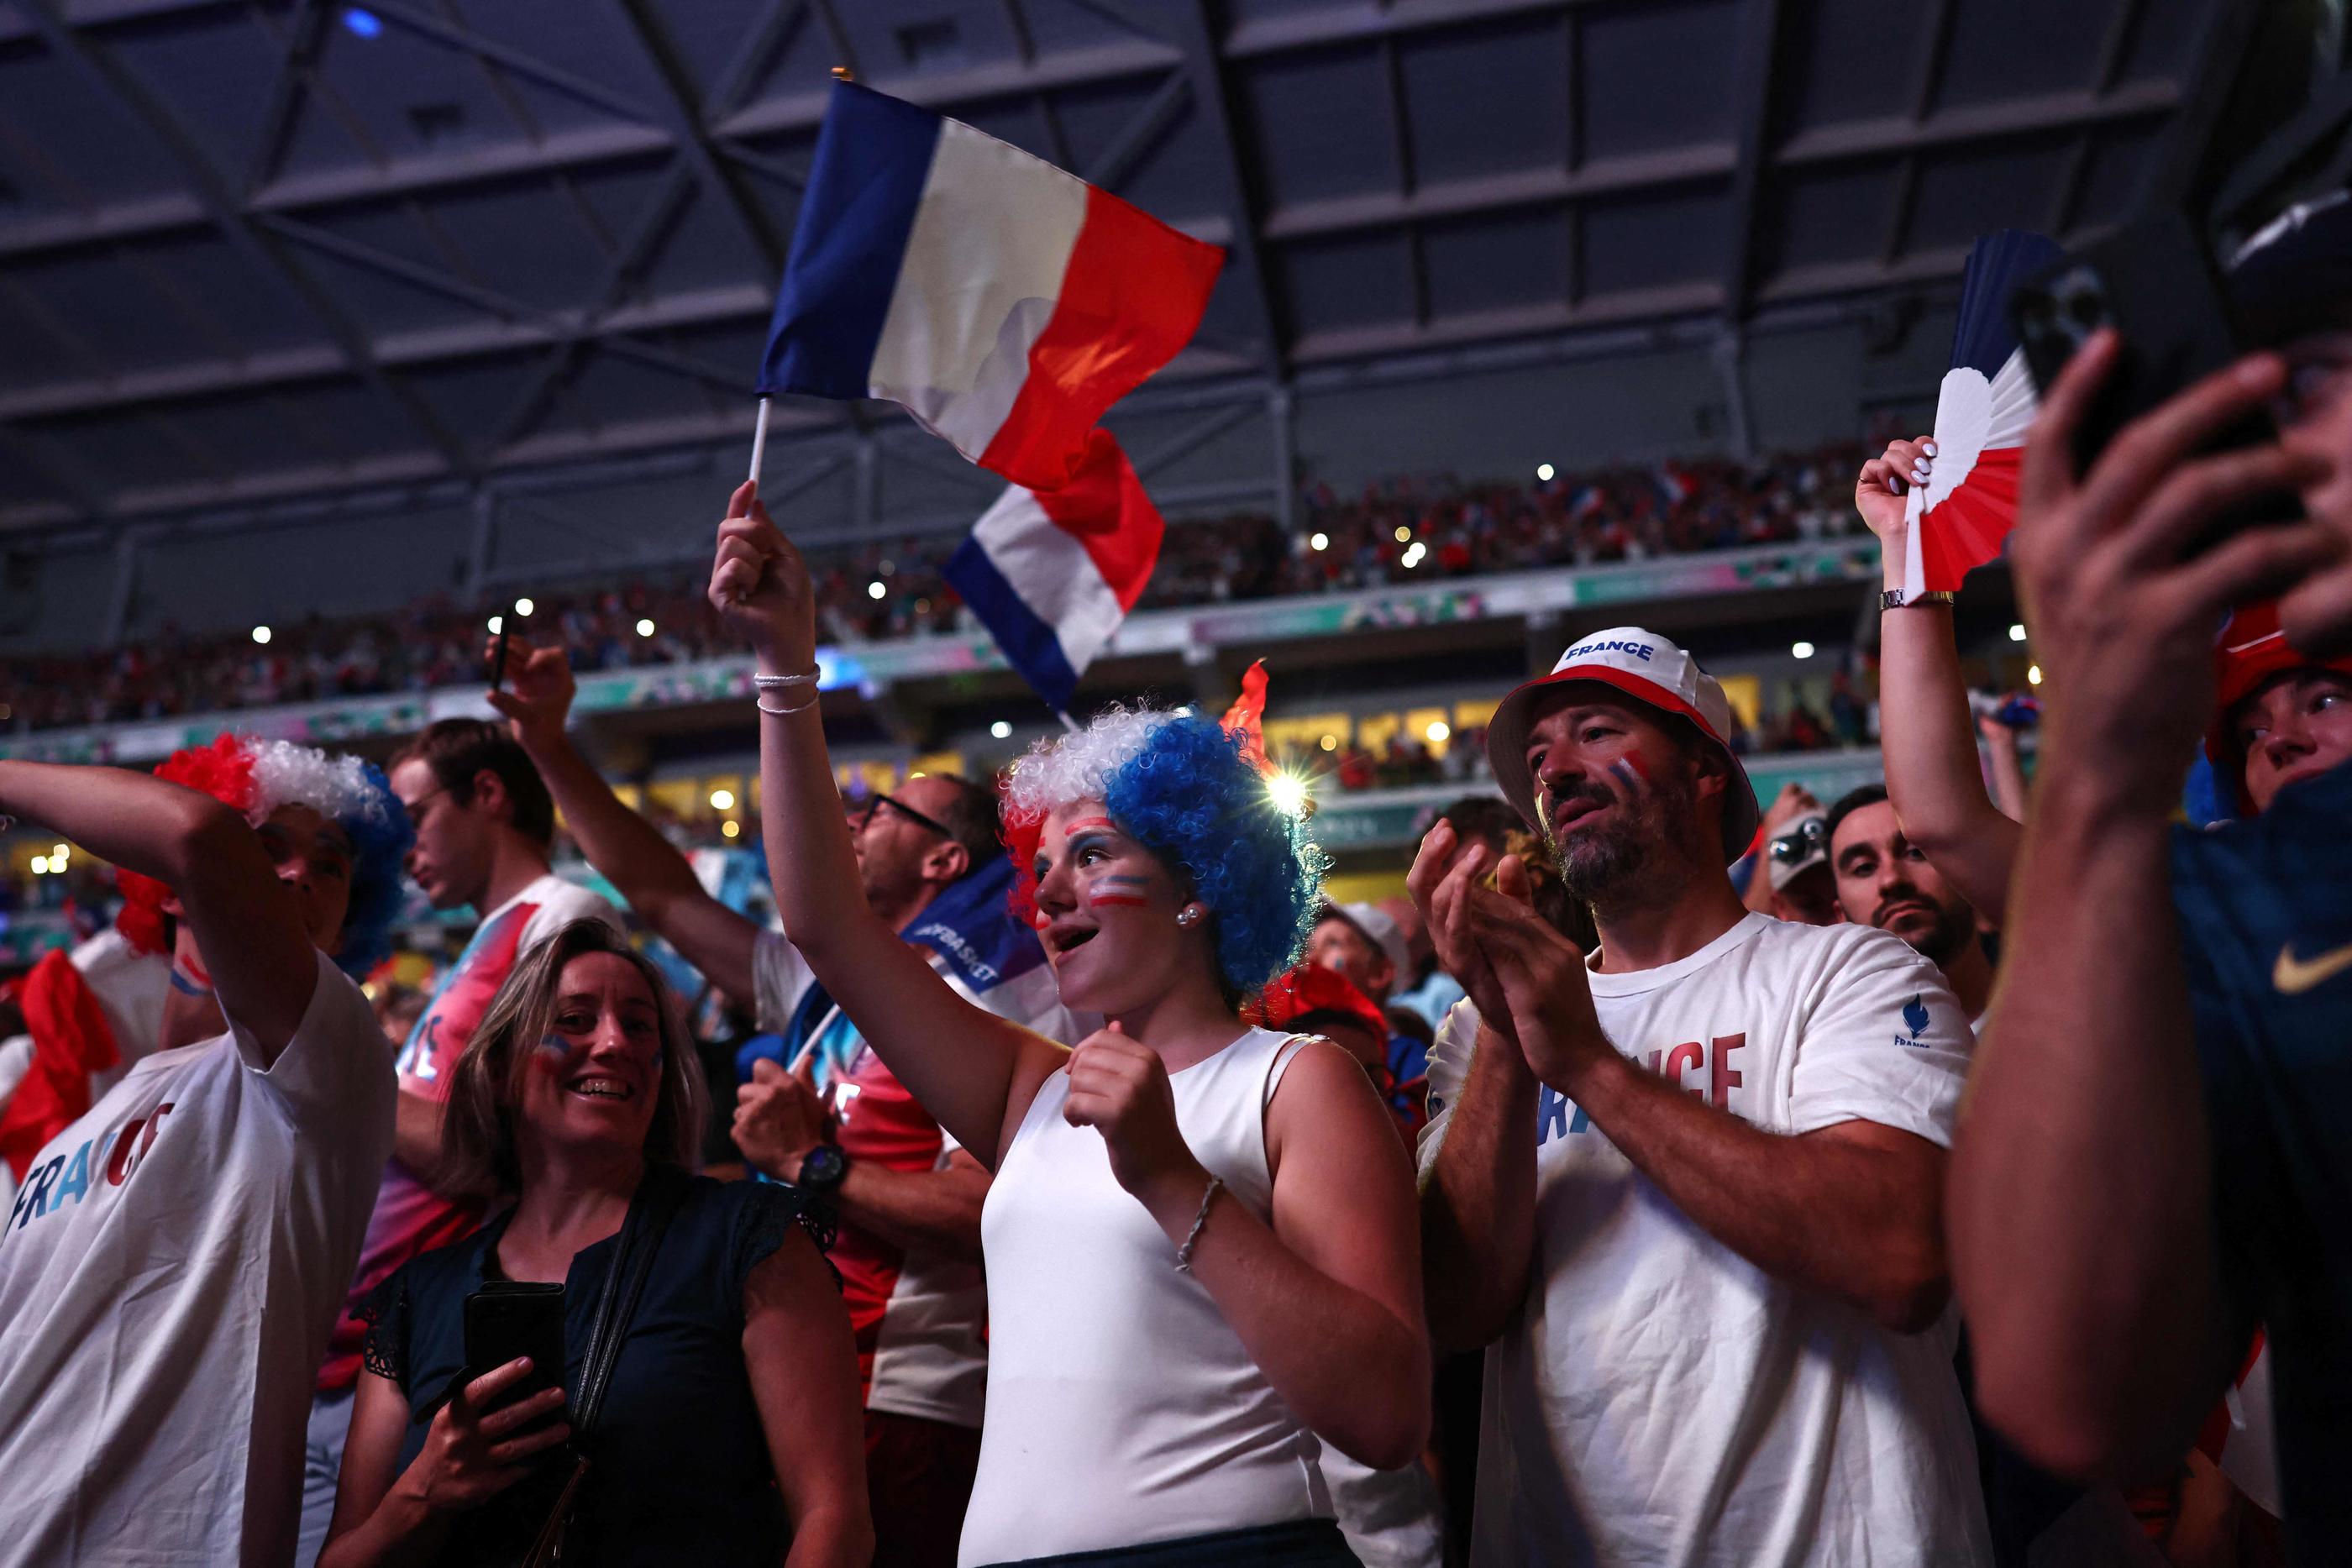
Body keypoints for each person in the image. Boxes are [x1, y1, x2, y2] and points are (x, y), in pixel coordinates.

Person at [711, 479, 1429, 1565]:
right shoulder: (1029, 1084)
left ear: (1199, 882)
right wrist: (785, 661)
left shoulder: (1299, 1082)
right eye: (1040, 867)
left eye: (1093, 856)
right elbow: (826, 921)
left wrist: (1172, 1176)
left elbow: (1386, 1411)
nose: (1046, 893)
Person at [1947, 199, 2352, 1565]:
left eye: (2309, 379)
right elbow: (2073, 1391)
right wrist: (2106, 779)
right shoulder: (2258, 888)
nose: (2260, 447)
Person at [485, 632, 1077, 1566]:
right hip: (779, 1372)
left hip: (906, 1395)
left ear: (945, 862)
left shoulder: (997, 995)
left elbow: (987, 1207)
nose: (850, 819)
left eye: (881, 810)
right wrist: (549, 744)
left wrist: (811, 1163)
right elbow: (656, 891)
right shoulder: (821, 982)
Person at [1415, 625, 1992, 1565]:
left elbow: (1901, 1257)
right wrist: (1515, 1045)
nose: (1553, 770)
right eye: (1536, 757)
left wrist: (1591, 1066)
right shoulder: (1484, 1035)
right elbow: (1457, 1310)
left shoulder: (1850, 972)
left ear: (1702, 771)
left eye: (1596, 732)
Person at [322, 919, 869, 1568]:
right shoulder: (419, 1298)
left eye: (640, 1026)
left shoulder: (749, 1238)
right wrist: (423, 1492)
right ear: (499, 1068)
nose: (615, 1043)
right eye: (575, 1019)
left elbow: (833, 1523)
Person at [0, 737, 411, 1567]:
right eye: (270, 849)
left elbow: (198, 834)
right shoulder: (87, 1121)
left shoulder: (321, 1061)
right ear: (169, 897)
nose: (297, 875)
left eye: (330, 865)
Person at [303, 719, 622, 1566]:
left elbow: (480, 1153)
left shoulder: (561, 919)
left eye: (413, 816)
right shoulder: (486, 938)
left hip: (430, 1343)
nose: (402, 850)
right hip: (361, 1349)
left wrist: (343, 1059)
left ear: (487, 794)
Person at [1824, 785, 1994, 1023]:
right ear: (1840, 916)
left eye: (1916, 853)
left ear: (1970, 876)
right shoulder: (1822, 1051)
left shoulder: (2056, 1016)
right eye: (1864, 868)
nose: (1892, 879)